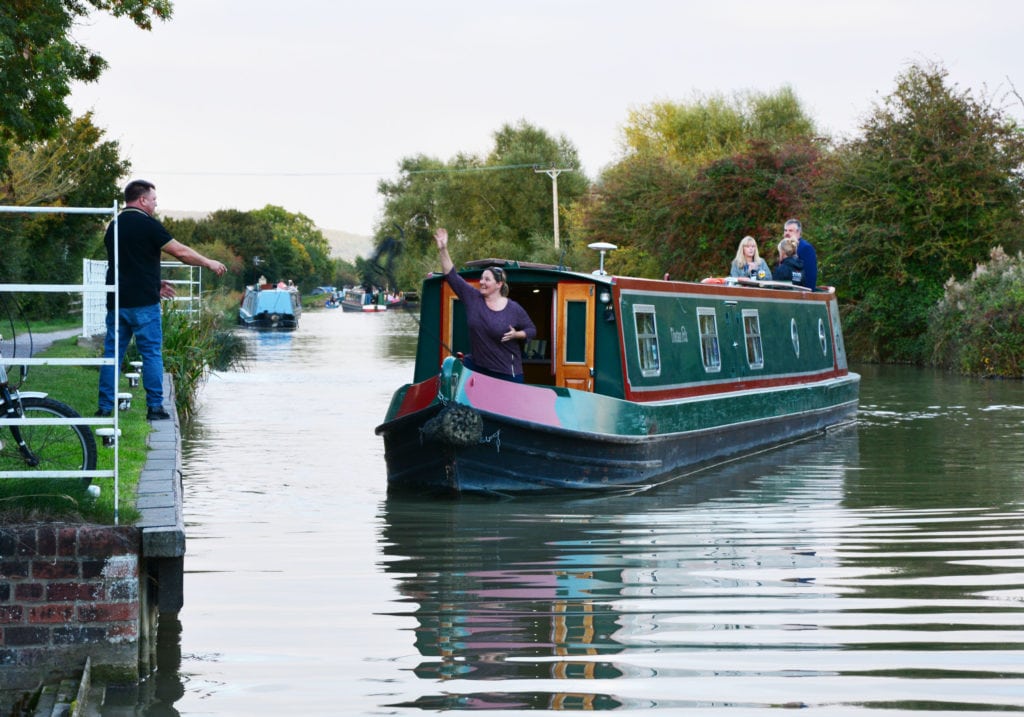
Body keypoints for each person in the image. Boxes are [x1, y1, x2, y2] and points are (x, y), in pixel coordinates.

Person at [97, 180, 228, 420]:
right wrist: (209, 262)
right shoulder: (148, 225)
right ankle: (155, 407)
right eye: (154, 200)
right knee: (151, 353)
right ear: (142, 200)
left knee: (112, 354)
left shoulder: (114, 226)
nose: (156, 204)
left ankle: (104, 408)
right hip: (144, 305)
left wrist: (155, 284)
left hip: (117, 301)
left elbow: (127, 263)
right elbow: (180, 252)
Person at [434, 227, 536, 383]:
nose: (481, 282)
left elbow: (531, 330)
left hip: (507, 373)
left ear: (499, 284)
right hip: (477, 368)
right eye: (481, 279)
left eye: (487, 279)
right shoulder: (473, 298)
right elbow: (452, 276)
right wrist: (443, 249)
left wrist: (517, 335)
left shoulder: (514, 308)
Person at [783, 218, 817, 289]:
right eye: (785, 230)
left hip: (802, 293)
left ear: (798, 232)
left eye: (790, 230)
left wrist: (808, 293)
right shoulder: (784, 247)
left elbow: (810, 274)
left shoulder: (806, 248)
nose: (787, 233)